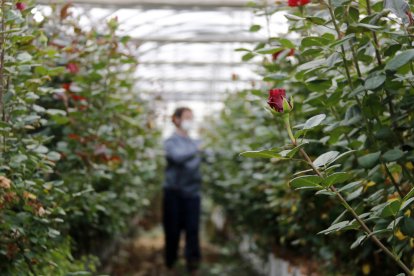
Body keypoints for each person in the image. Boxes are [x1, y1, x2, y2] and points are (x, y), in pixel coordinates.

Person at [163, 107, 202, 275]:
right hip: (174, 193)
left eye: (191, 117)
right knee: (173, 230)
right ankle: (170, 262)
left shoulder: (194, 142)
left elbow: (207, 155)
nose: (190, 121)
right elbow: (177, 157)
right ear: (176, 119)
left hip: (192, 192)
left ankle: (192, 264)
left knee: (192, 229)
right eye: (187, 117)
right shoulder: (170, 141)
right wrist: (197, 150)